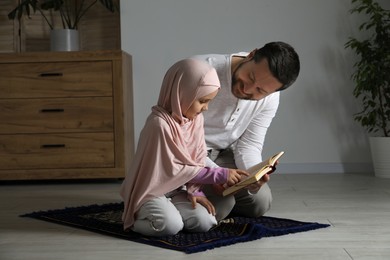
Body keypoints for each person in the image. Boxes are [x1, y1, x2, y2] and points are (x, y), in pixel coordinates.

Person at [120, 59, 248, 237]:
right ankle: (135, 219)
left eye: (209, 101)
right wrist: (220, 174)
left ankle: (172, 213)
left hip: (178, 188)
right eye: (202, 101)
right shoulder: (159, 125)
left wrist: (195, 190)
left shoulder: (195, 121)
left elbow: (197, 156)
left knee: (205, 222)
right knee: (169, 226)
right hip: (152, 190)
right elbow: (171, 170)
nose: (206, 108)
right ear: (182, 93)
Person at [191, 41, 300, 220]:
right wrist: (218, 174)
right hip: (184, 155)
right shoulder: (200, 71)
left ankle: (216, 198)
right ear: (251, 55)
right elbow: (179, 139)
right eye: (250, 76)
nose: (247, 88)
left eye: (260, 90)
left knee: (260, 201)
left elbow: (249, 144)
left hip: (223, 155)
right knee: (217, 208)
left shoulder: (271, 97)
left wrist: (253, 175)